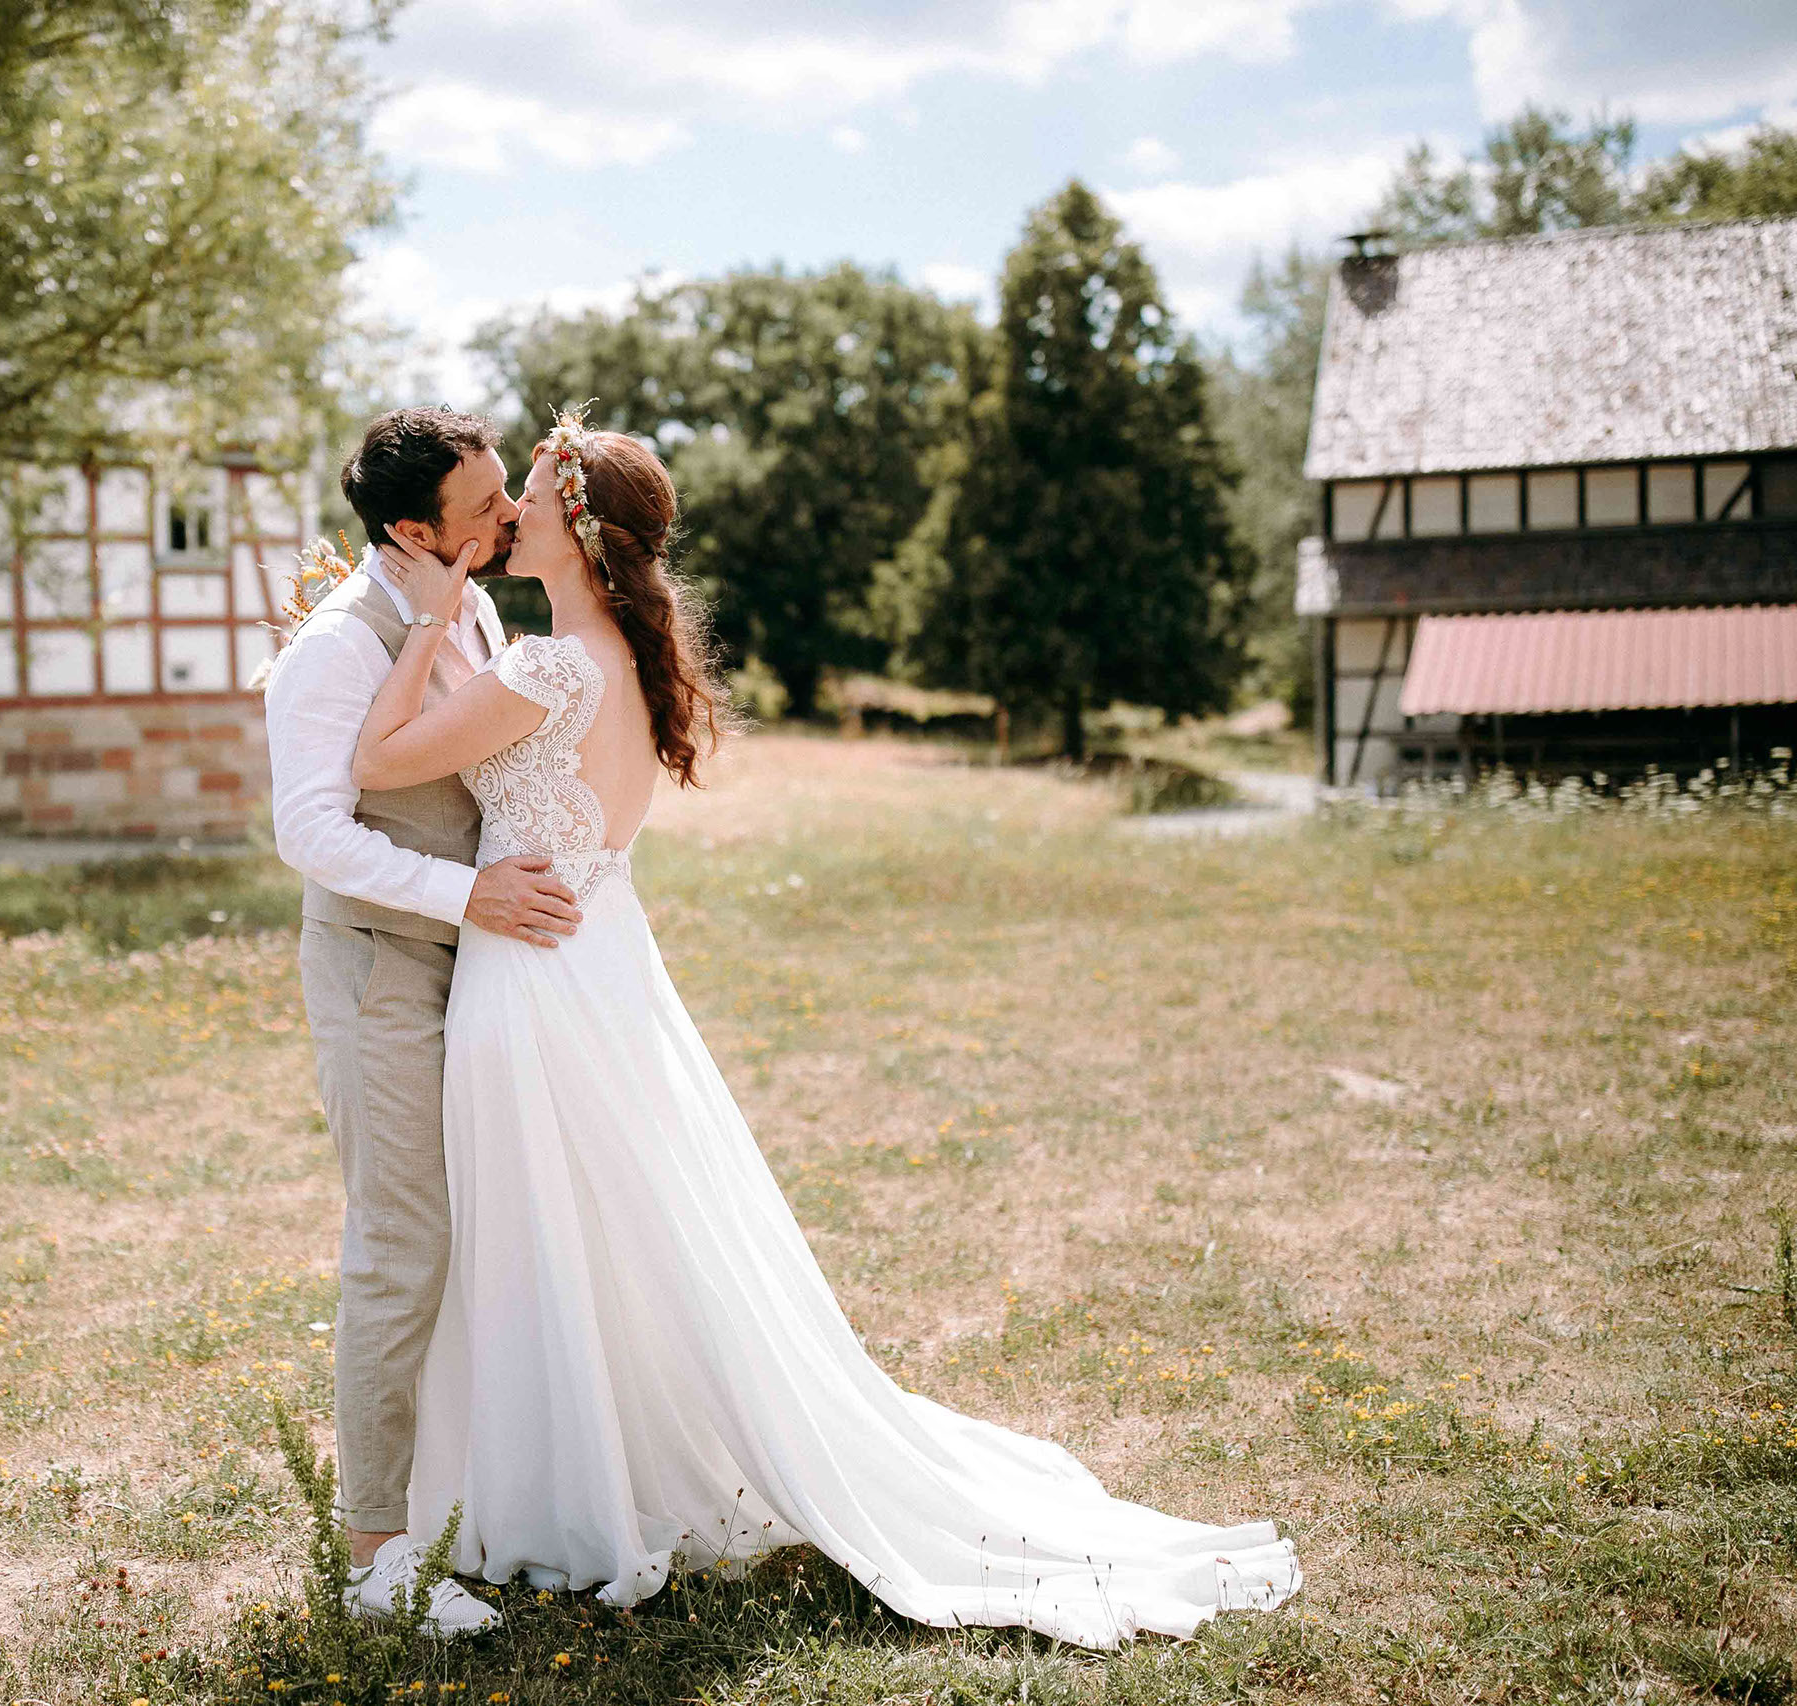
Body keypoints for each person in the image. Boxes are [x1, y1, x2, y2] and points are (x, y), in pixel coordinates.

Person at [348, 411, 1303, 1649]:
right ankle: (599, 1456)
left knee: (545, 1220)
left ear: (575, 525)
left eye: (526, 492)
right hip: (595, 959)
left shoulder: (546, 669)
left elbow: (374, 763)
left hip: (532, 976)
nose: (508, 515)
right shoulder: (617, 658)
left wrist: (425, 611)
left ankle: (566, 1486)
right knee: (609, 1223)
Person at [262, 406, 584, 1636]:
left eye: (509, 492)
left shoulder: (480, 604)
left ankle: (474, 1484)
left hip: (485, 970)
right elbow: (311, 832)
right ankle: (376, 1551)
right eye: (488, 506)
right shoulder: (333, 649)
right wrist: (470, 895)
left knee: (489, 1222)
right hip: (381, 967)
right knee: (400, 1244)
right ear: (409, 529)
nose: (510, 516)